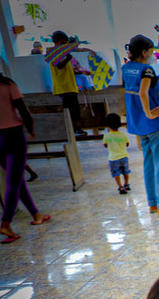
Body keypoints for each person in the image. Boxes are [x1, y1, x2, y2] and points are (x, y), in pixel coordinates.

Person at [123, 35, 159, 217]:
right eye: (151, 51)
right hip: (153, 122)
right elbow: (143, 92)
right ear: (144, 52)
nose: (153, 55)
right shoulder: (146, 70)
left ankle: (153, 203)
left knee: (148, 164)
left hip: (137, 123)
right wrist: (149, 112)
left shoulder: (126, 68)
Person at [0, 72, 49, 243]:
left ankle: (36, 215)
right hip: (13, 136)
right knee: (14, 182)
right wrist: (31, 129)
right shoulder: (7, 85)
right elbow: (22, 109)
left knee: (17, 180)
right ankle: (5, 223)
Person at [47, 30, 91, 136]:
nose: (65, 45)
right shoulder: (53, 53)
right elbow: (59, 65)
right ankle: (74, 129)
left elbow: (70, 69)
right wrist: (68, 58)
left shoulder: (63, 54)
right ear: (58, 41)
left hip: (70, 86)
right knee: (72, 111)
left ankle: (76, 128)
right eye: (63, 42)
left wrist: (82, 72)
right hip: (64, 87)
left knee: (75, 109)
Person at [102, 113, 130, 195]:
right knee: (126, 172)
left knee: (116, 173)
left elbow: (105, 145)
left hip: (113, 158)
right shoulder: (123, 135)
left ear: (107, 125)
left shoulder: (106, 136)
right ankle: (126, 184)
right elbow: (127, 144)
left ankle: (120, 186)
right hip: (124, 156)